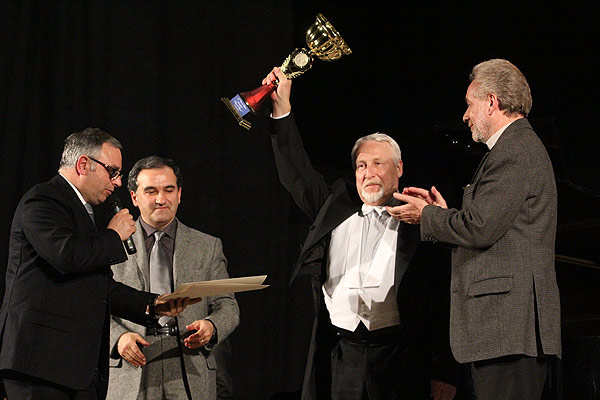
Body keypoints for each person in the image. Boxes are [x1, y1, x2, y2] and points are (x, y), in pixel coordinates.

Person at [263, 67, 458, 400]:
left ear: (399, 168)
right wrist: (282, 110)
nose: (369, 173)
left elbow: (443, 300)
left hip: (400, 359)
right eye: (362, 165)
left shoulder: (420, 219)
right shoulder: (334, 206)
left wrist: (444, 370)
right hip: (340, 355)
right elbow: (296, 173)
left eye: (379, 164)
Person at [393, 59, 561, 400]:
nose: (465, 115)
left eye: (470, 104)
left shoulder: (514, 150)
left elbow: (480, 228)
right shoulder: (513, 148)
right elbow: (489, 224)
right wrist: (442, 214)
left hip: (509, 331)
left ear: (492, 102)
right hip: (504, 334)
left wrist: (428, 216)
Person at [0, 128, 193, 400]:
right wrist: (113, 235)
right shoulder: (43, 200)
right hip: (40, 366)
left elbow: (96, 285)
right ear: (83, 164)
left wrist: (152, 304)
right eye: (112, 171)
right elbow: (66, 256)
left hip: (75, 370)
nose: (117, 182)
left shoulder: (83, 210)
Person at [106, 156, 240, 400]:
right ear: (134, 197)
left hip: (190, 364)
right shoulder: (112, 245)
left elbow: (227, 305)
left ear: (179, 194)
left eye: (168, 190)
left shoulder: (207, 246)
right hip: (132, 363)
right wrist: (118, 338)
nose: (161, 199)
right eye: (151, 191)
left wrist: (211, 326)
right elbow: (93, 304)